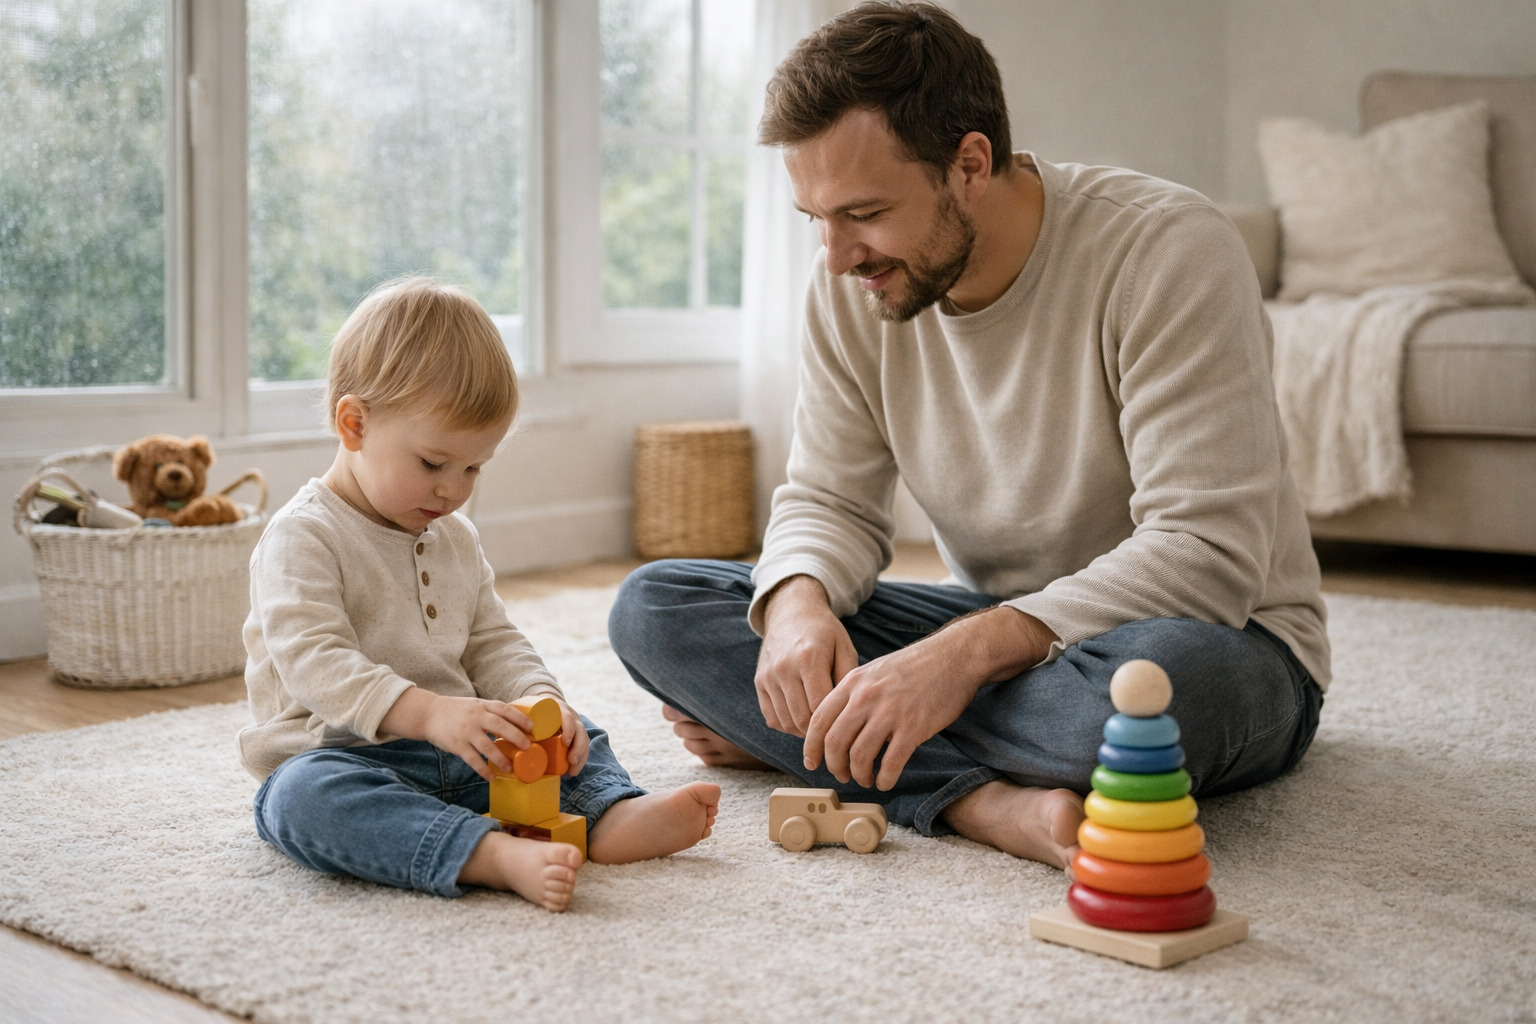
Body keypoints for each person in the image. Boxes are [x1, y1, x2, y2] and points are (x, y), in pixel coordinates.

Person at [608, 1, 1329, 871]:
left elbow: (1207, 554)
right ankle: (979, 803)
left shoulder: (1167, 251)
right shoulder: (848, 283)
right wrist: (797, 606)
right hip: (999, 632)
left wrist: (951, 663)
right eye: (816, 219)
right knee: (657, 607)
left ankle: (825, 743)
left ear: (970, 163)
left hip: (1217, 638)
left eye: (864, 212)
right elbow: (829, 499)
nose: (836, 256)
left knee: (1159, 696)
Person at [240, 277, 719, 912]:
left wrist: (538, 702)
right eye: (433, 464)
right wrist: (430, 715)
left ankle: (607, 815)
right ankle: (485, 853)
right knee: (298, 801)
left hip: (465, 753)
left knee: (580, 733)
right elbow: (312, 664)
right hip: (342, 754)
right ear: (354, 423)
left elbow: (492, 639)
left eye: (473, 469)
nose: (451, 491)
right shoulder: (303, 536)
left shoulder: (453, 537)